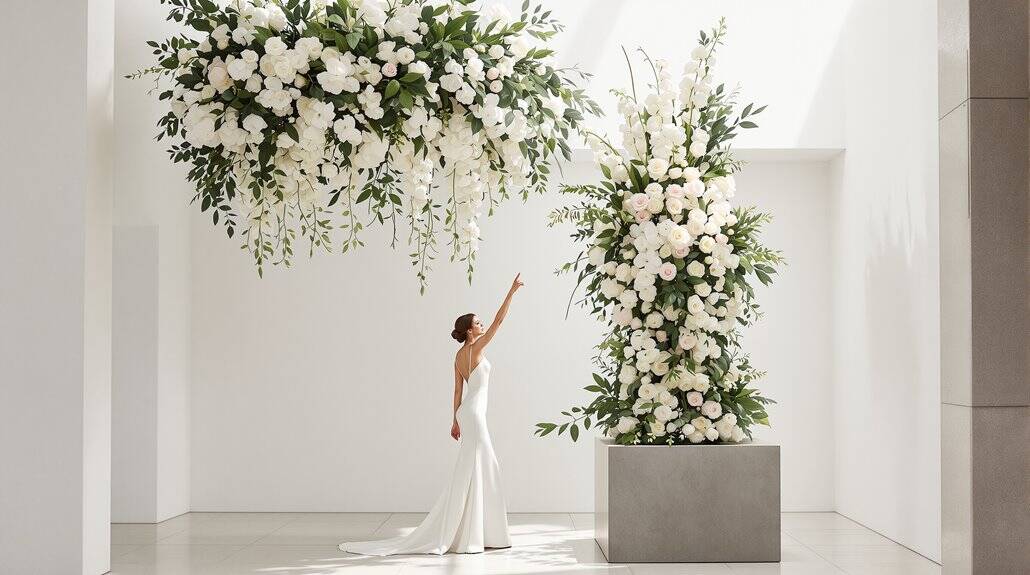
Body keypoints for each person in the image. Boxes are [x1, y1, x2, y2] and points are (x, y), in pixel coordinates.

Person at [340, 274, 525, 555]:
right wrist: (511, 292)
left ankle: (479, 532)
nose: (482, 324)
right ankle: (476, 534)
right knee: (481, 467)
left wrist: (454, 420)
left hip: (467, 413)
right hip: (474, 414)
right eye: (477, 323)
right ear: (469, 331)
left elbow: (456, 392)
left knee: (478, 467)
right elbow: (500, 321)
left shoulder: (458, 357)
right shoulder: (476, 348)